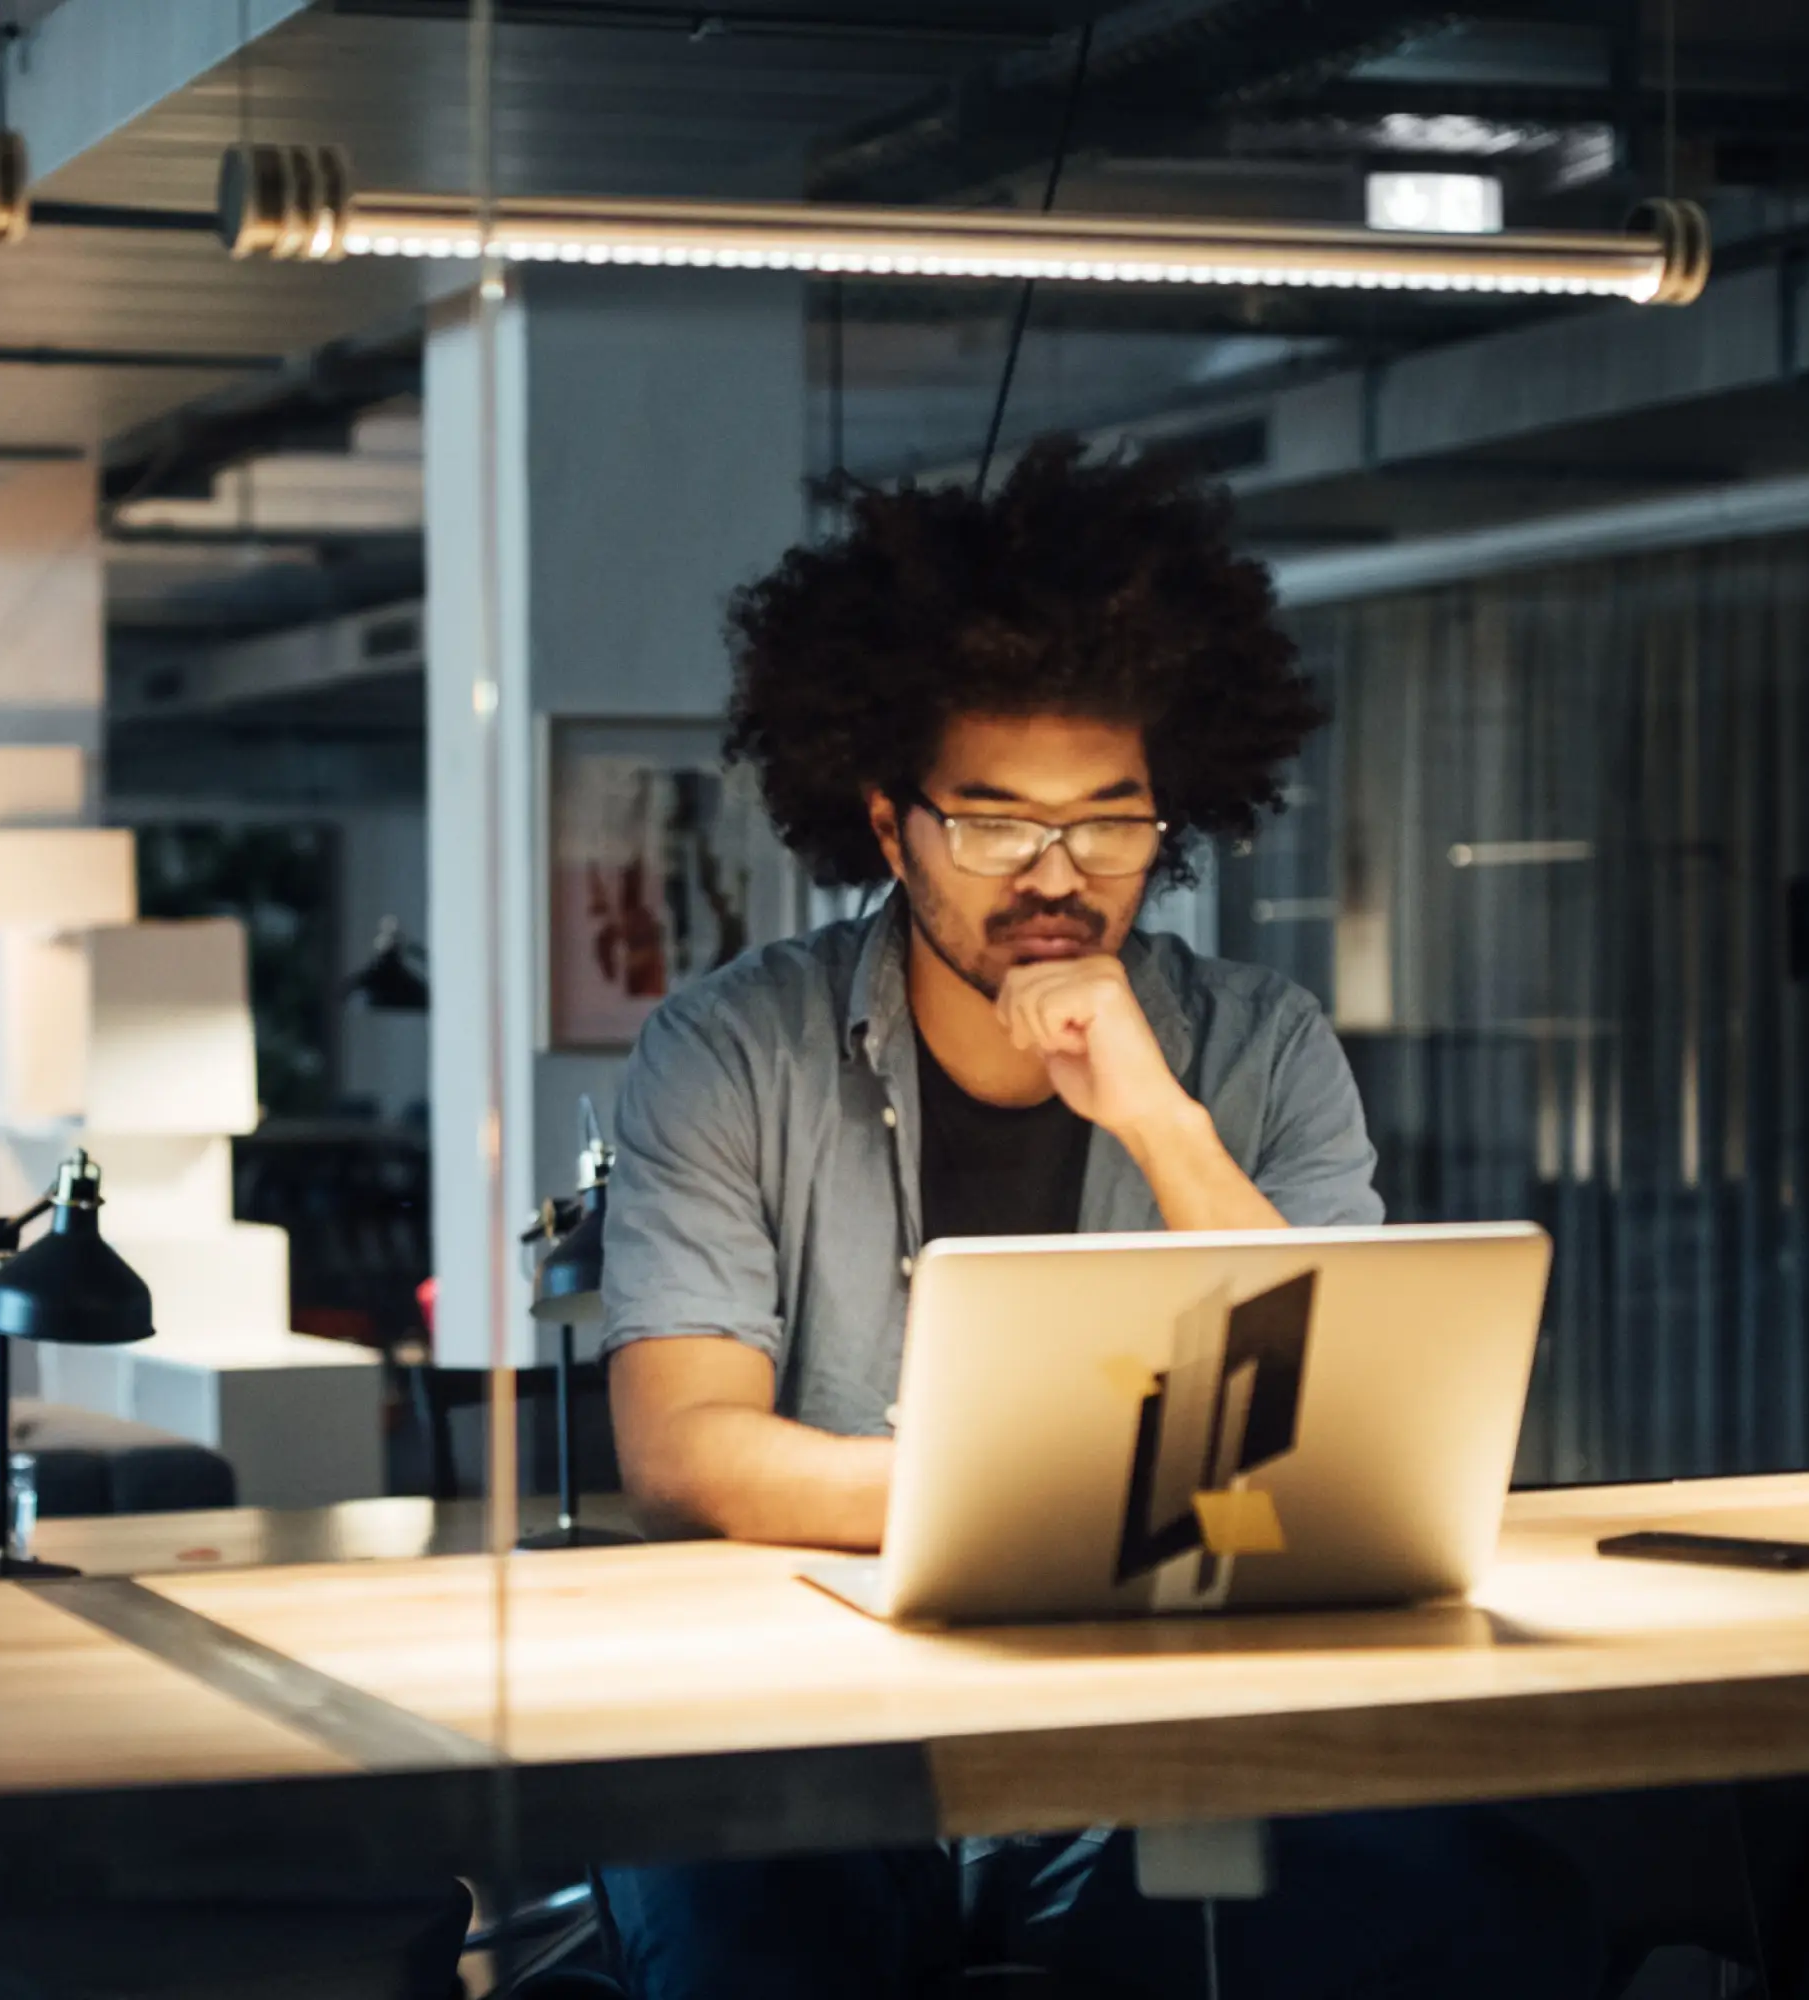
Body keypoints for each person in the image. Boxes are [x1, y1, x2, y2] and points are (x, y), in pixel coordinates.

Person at [593, 436, 1600, 2000]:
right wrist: (1055, 1500)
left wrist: (1153, 1114)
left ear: (1167, 820)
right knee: (756, 1931)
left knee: (1460, 1896)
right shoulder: (729, 1052)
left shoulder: (1258, 1051)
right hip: (818, 1722)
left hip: (1157, 1728)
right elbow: (684, 1452)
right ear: (886, 822)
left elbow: (1345, 1419)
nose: (1056, 874)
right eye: (995, 822)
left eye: (1108, 823)